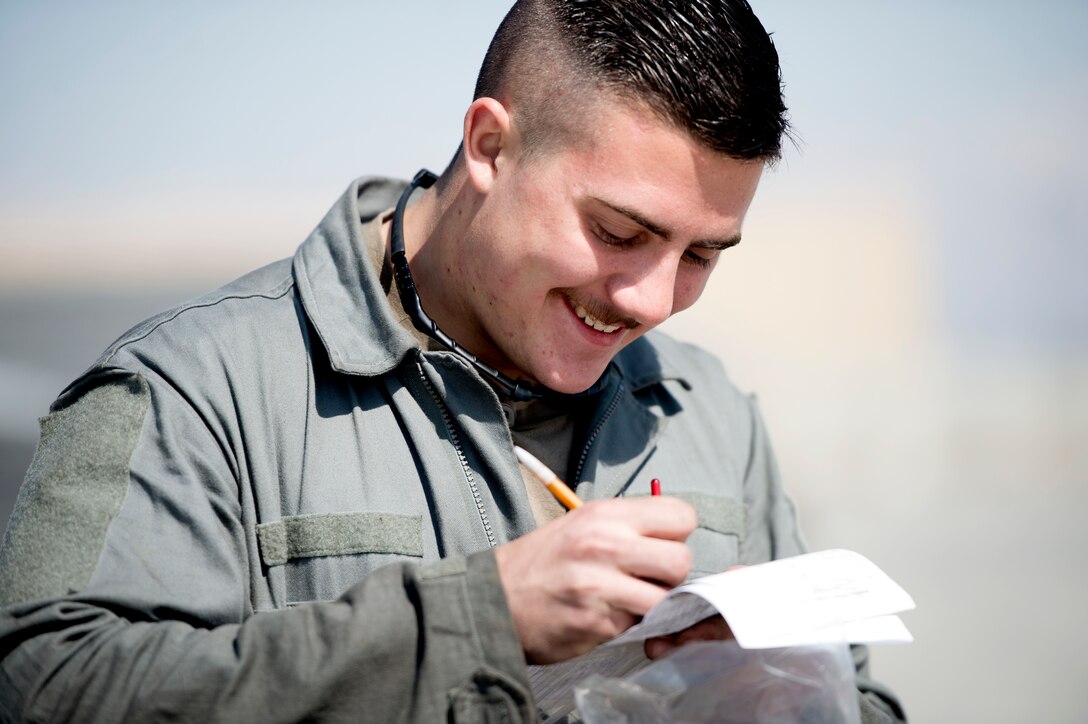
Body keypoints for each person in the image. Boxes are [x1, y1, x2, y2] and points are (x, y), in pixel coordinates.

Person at [0, 1, 905, 721]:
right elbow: (47, 688)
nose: (653, 302)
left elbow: (861, 701)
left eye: (704, 255)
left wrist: (779, 696)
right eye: (618, 232)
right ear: (489, 146)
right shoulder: (194, 392)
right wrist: (475, 621)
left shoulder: (711, 412)